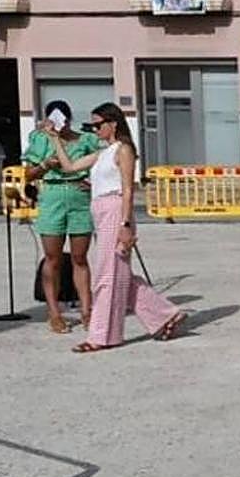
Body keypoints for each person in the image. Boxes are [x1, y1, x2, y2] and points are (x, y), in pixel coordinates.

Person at [43, 103, 186, 353]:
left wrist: (126, 224)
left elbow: (128, 189)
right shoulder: (102, 153)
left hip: (115, 210)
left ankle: (102, 335)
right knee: (118, 274)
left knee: (107, 276)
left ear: (113, 124)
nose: (95, 130)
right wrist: (55, 139)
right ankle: (165, 314)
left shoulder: (123, 150)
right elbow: (70, 167)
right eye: (92, 126)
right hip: (100, 210)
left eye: (98, 125)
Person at [22, 99, 102, 333]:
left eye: (64, 121)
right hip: (52, 194)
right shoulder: (40, 139)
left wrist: (93, 182)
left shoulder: (85, 140)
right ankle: (54, 312)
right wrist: (45, 165)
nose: (61, 126)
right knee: (53, 258)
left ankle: (87, 310)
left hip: (78, 196)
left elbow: (104, 162)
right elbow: (29, 174)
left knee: (80, 257)